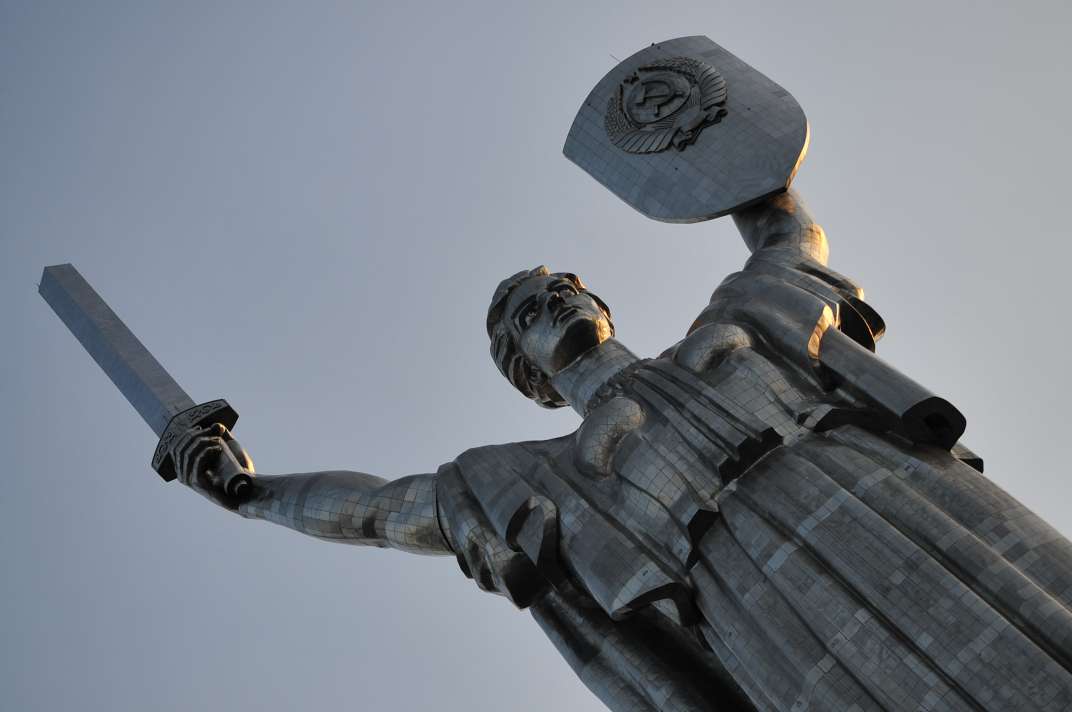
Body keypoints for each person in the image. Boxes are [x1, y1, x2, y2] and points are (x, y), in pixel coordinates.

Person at [171, 190, 1072, 712]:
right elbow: (377, 510)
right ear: (524, 370)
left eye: (563, 287)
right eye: (532, 310)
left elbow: (787, 235)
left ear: (598, 300)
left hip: (876, 486)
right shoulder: (537, 474)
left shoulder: (732, 322)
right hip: (754, 584)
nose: (556, 301)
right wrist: (248, 490)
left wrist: (734, 156)